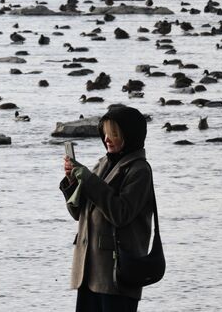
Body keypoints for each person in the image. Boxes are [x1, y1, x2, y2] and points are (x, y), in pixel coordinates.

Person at [59, 105, 154, 312]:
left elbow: (121, 214)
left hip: (117, 275)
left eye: (114, 134)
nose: (107, 139)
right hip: (87, 273)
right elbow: (78, 213)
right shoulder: (102, 163)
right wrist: (72, 181)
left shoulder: (140, 170)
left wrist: (88, 179)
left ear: (130, 135)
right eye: (105, 133)